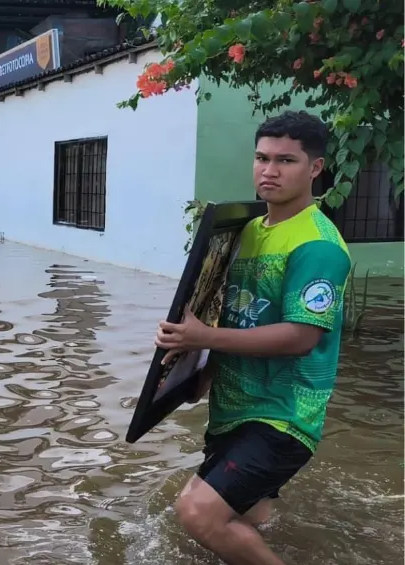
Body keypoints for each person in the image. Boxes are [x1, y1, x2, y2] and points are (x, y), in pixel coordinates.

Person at [154, 111, 351, 565]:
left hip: (284, 416)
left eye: (286, 160)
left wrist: (206, 336)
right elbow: (238, 315)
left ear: (315, 169)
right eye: (262, 158)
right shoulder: (246, 230)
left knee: (197, 514)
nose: (269, 170)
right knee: (248, 523)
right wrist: (196, 372)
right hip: (234, 409)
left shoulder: (317, 244)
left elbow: (301, 336)